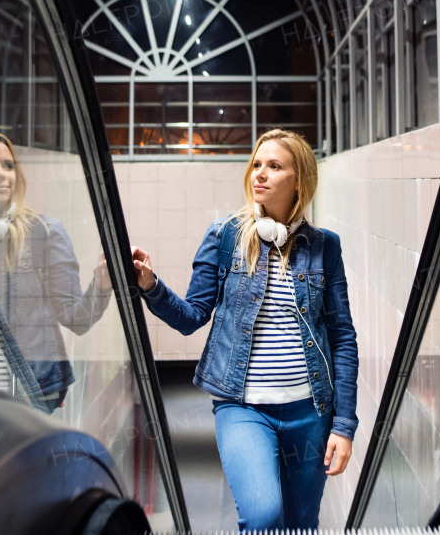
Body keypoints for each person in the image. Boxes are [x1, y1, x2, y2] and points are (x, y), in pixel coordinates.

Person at [131, 128, 358, 530]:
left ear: (299, 180)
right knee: (263, 515)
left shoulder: (326, 246)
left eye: (274, 166)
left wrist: (344, 425)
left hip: (311, 410)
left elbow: (342, 336)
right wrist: (150, 285)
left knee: (302, 522)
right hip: (242, 406)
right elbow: (191, 317)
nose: (260, 174)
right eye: (257, 164)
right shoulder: (225, 237)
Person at [0, 129, 113, 411]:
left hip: (25, 396)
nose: (1, 173)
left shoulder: (44, 232)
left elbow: (76, 319)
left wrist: (101, 285)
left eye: (8, 165)